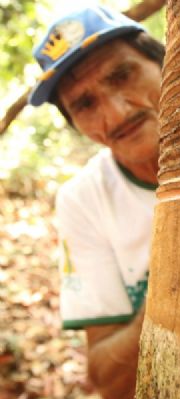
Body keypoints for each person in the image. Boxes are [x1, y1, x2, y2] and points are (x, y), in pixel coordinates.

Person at [28, 5, 163, 398]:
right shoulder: (83, 200)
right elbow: (107, 379)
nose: (117, 113)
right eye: (85, 104)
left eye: (123, 75)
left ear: (163, 61)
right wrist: (171, 297)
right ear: (75, 125)